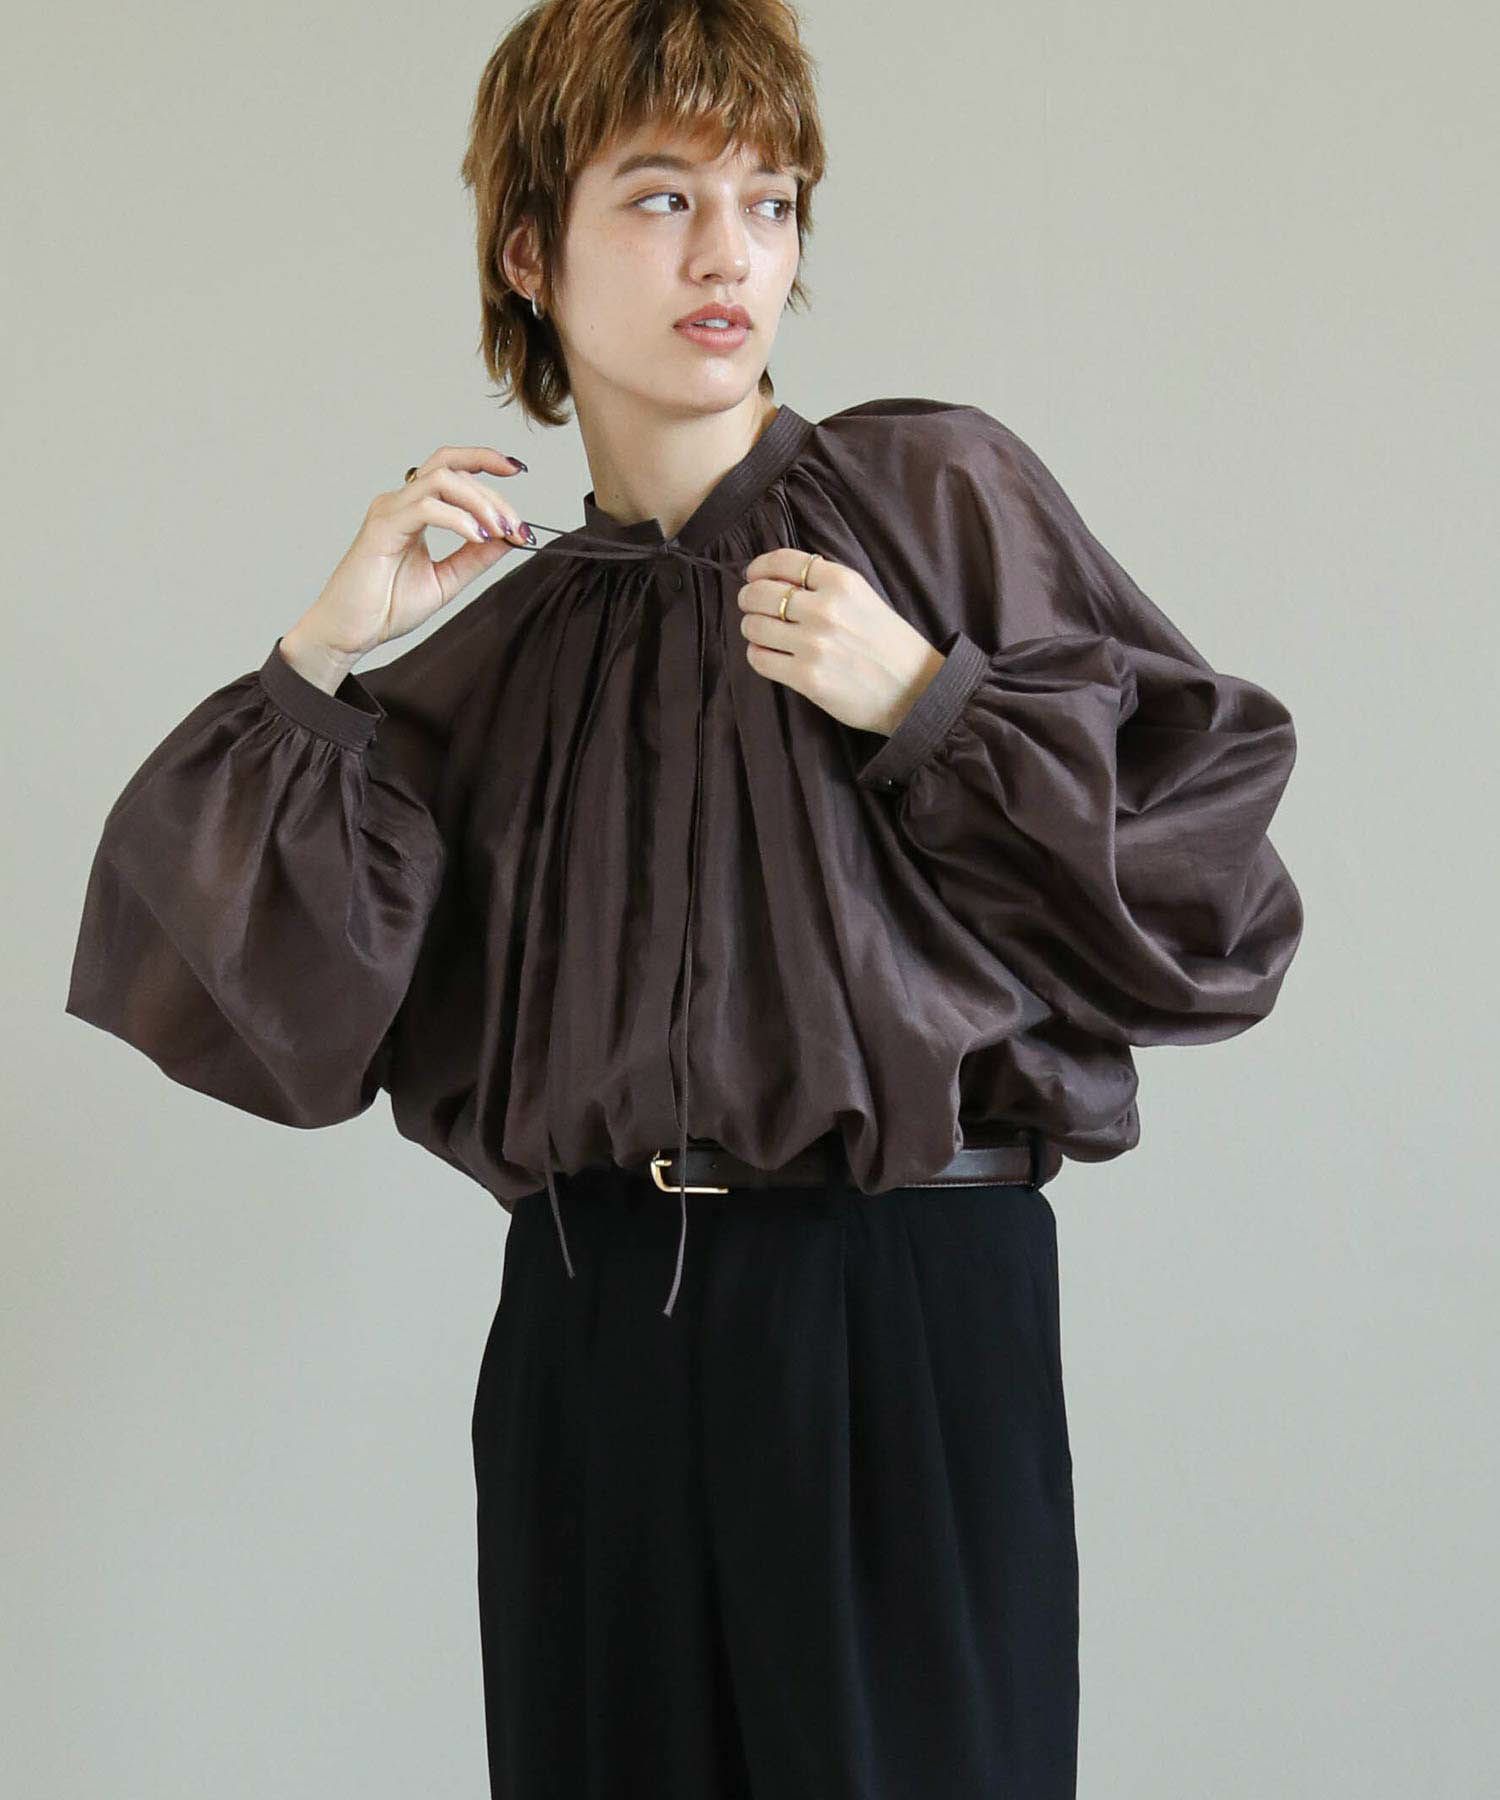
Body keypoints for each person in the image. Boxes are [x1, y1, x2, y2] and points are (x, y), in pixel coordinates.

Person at [64, 2, 1305, 1795]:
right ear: (529, 250)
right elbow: (272, 1005)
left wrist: (930, 707)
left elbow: (1205, 899)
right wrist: (321, 659)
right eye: (661, 198)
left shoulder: (930, 499)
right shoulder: (508, 643)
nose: (730, 255)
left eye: (769, 201)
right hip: (591, 1327)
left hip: (898, 1303)